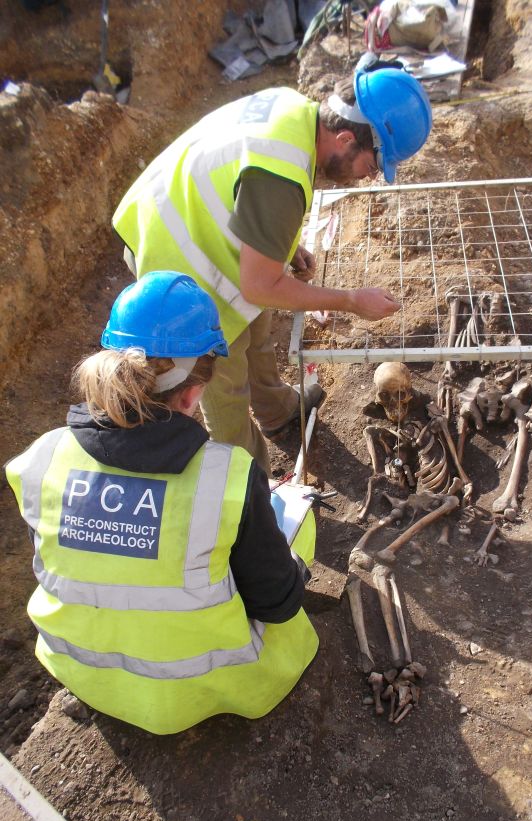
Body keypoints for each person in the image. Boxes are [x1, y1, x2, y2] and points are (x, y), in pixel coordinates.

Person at [5, 271, 319, 735]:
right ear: (193, 392)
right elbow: (276, 603)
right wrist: (293, 569)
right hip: (203, 689)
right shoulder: (226, 477)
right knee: (298, 519)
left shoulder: (42, 457)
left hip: (84, 673)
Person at [112, 62, 432, 473]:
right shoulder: (281, 175)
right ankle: (247, 487)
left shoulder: (295, 110)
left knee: (257, 332)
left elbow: (245, 189)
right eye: (369, 167)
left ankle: (277, 411)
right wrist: (352, 300)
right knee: (223, 376)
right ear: (346, 138)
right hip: (174, 253)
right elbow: (260, 286)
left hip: (189, 215)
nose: (364, 179)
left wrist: (279, 242)